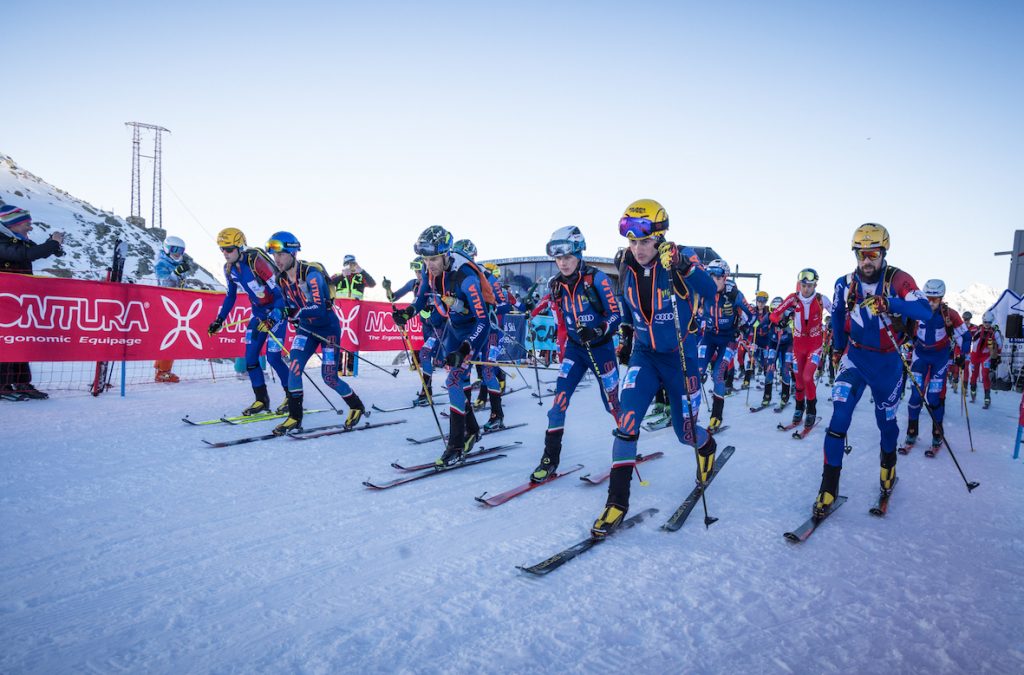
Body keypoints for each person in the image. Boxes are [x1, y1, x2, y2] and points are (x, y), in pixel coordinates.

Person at [592, 199, 718, 538]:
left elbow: (710, 290)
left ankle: (706, 447)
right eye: (632, 241)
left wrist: (683, 267)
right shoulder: (624, 262)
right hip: (645, 355)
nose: (638, 248)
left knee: (685, 432)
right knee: (627, 418)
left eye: (644, 241)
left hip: (680, 357)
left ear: (660, 236)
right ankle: (616, 502)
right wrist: (626, 339)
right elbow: (630, 307)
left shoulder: (680, 255)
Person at [812, 223, 931, 517]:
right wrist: (839, 347)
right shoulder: (845, 283)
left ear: (884, 253)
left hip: (888, 364)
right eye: (861, 254)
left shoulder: (898, 279)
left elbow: (926, 311)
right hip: (855, 359)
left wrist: (889, 302)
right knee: (839, 416)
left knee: (886, 424)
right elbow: (838, 315)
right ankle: (828, 487)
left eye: (873, 254)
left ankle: (888, 466)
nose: (867, 261)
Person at [392, 226, 498, 466]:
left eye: (433, 259)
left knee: (452, 382)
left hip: (475, 330)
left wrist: (465, 349)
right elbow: (420, 299)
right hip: (455, 327)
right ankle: (471, 430)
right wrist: (407, 313)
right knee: (457, 384)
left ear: (446, 254)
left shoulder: (466, 278)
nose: (429, 264)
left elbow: (482, 320)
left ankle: (456, 445)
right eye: (426, 259)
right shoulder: (432, 273)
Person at [530, 226, 622, 483]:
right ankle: (549, 460)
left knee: (612, 403)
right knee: (558, 403)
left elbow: (617, 315)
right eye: (558, 258)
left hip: (601, 349)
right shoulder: (556, 285)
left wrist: (598, 330)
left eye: (568, 257)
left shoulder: (598, 279)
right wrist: (532, 310)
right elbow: (556, 313)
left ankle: (627, 446)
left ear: (579, 254)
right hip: (575, 350)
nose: (563, 263)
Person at [266, 232, 365, 435]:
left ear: (293, 252)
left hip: (328, 329)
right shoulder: (281, 279)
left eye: (281, 254)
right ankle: (295, 416)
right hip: (306, 329)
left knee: (329, 377)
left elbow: (319, 308)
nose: (277, 260)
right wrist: (276, 314)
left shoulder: (311, 274)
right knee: (294, 365)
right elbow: (285, 306)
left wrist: (292, 312)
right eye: (274, 255)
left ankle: (356, 406)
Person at [207, 228, 291, 416]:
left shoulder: (256, 262)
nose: (225, 253)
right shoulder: (229, 268)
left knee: (273, 358)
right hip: (259, 314)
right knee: (250, 358)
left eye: (228, 249)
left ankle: (291, 397)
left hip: (276, 312)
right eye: (222, 249)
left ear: (239, 246)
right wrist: (219, 320)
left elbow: (279, 293)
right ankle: (261, 400)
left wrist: (274, 316)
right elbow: (230, 297)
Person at [0, 204, 64, 400]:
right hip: (5, 300)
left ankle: (22, 382)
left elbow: (35, 251)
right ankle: (3, 385)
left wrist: (53, 245)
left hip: (19, 299)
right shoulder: (3, 241)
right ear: (12, 224)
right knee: (5, 342)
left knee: (21, 341)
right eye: (26, 223)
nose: (30, 227)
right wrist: (51, 244)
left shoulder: (18, 240)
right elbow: (22, 255)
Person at [904, 279, 971, 448]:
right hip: (920, 356)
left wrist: (963, 354)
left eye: (936, 298)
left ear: (942, 298)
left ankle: (937, 433)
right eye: (928, 298)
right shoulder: (916, 311)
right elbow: (903, 329)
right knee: (915, 396)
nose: (931, 302)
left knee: (934, 398)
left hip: (940, 358)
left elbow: (967, 336)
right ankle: (912, 431)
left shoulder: (950, 314)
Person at [770, 269, 833, 427]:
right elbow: (774, 314)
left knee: (807, 377)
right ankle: (799, 408)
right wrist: (781, 321)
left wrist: (836, 324)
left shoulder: (821, 300)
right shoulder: (793, 298)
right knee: (798, 380)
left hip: (815, 344)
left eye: (809, 286)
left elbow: (838, 314)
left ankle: (811, 409)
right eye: (803, 285)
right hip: (798, 345)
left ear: (815, 285)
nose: (806, 289)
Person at [698, 259, 752, 430]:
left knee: (718, 374)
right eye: (710, 275)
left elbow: (752, 317)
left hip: (728, 338)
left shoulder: (734, 294)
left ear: (725, 277)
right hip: (709, 336)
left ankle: (716, 415)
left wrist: (741, 327)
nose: (713, 279)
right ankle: (688, 415)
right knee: (696, 371)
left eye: (717, 276)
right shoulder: (703, 290)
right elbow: (692, 309)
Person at [388, 257, 446, 405]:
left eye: (420, 270)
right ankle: (427, 390)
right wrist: (387, 288)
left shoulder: (435, 282)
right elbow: (393, 297)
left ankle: (430, 391)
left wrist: (433, 308)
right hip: (426, 325)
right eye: (415, 271)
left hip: (439, 326)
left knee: (427, 354)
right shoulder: (413, 284)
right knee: (426, 356)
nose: (418, 274)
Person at [152, 235, 191, 383]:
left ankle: (161, 368)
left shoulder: (178, 263)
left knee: (171, 336)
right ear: (167, 249)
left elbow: (181, 284)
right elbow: (164, 283)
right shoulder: (161, 263)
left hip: (177, 304)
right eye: (174, 249)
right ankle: (163, 371)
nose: (178, 253)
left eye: (181, 250)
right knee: (170, 336)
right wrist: (175, 274)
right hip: (166, 304)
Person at [329, 255, 375, 376]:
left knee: (352, 339)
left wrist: (362, 271)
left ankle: (351, 368)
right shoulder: (338, 276)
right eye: (348, 264)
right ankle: (338, 368)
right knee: (339, 339)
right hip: (341, 313)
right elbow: (329, 282)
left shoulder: (360, 277)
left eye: (353, 263)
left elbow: (372, 283)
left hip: (355, 313)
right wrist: (342, 275)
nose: (351, 266)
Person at [969, 310, 1003, 409]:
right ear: (982, 321)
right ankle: (973, 392)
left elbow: (1000, 344)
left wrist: (998, 356)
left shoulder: (994, 332)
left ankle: (987, 398)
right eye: (985, 322)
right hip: (975, 355)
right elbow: (966, 334)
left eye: (989, 322)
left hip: (985, 356)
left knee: (985, 375)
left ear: (992, 322)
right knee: (974, 375)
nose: (987, 324)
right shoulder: (977, 329)